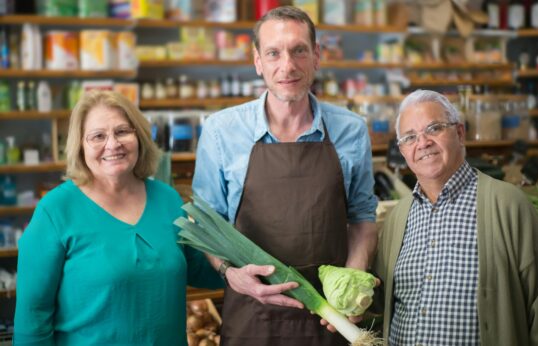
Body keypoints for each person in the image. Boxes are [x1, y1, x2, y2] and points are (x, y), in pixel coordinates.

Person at [192, 6, 378, 346]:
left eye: (299, 51)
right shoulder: (221, 131)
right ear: (257, 61)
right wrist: (229, 273)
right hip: (253, 316)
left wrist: (354, 282)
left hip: (330, 320)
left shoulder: (350, 130)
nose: (287, 66)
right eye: (274, 53)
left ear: (316, 56)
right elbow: (206, 224)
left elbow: (362, 219)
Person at [14, 90, 223, 345]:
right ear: (80, 145)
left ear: (140, 136)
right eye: (98, 136)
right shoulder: (56, 210)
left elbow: (198, 269)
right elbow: (32, 317)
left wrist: (243, 253)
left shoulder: (167, 199)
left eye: (123, 131)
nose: (113, 144)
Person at [374, 89, 538, 346]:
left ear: (459, 133)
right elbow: (382, 304)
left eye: (434, 128)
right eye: (410, 137)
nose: (422, 142)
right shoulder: (397, 218)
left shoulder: (509, 206)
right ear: (402, 150)